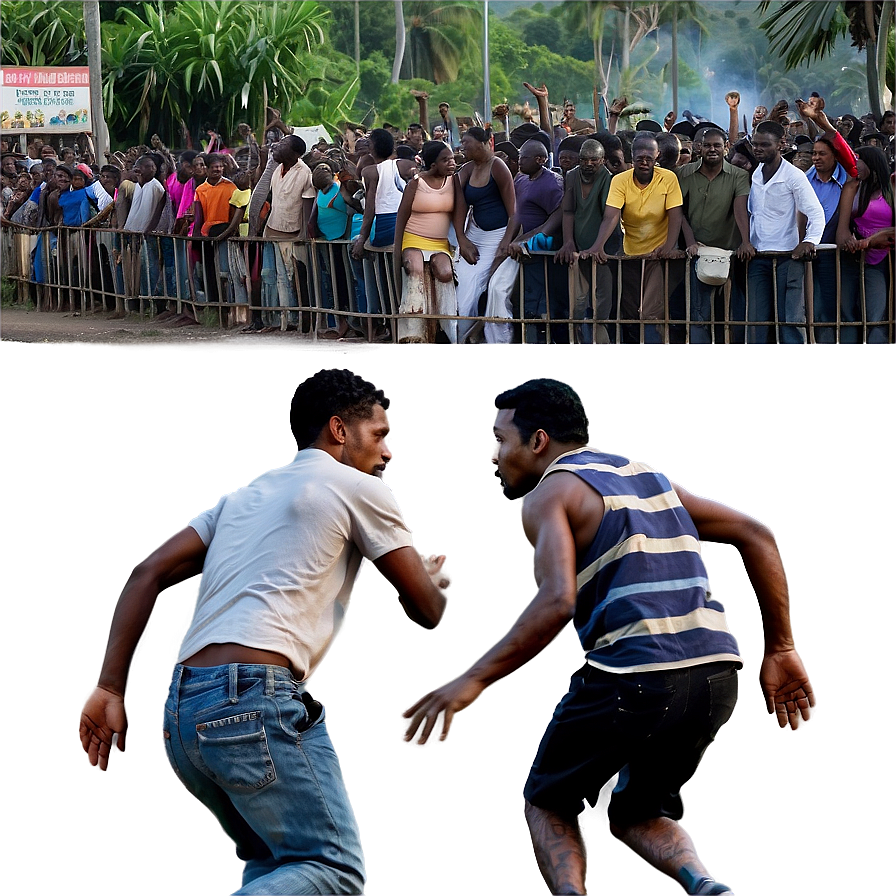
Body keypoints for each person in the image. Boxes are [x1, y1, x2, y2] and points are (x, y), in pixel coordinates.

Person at [406, 377, 814, 896]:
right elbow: (756, 533)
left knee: (547, 801)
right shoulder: (649, 476)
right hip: (716, 676)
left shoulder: (550, 494)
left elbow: (557, 603)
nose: (493, 456)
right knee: (637, 814)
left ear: (538, 442)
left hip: (635, 676)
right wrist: (780, 648)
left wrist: (471, 679)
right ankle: (709, 888)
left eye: (500, 439)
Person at [79, 368, 447, 896]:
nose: (388, 453)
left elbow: (147, 573)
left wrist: (110, 685)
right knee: (331, 870)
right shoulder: (359, 487)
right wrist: (439, 582)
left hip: (184, 715)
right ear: (339, 430)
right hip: (254, 699)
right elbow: (428, 610)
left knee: (275, 868)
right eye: (380, 434)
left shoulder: (244, 495)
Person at [583, 133, 684, 343]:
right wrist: (598, 246)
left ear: (657, 156)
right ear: (632, 156)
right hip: (631, 255)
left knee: (649, 310)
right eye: (640, 158)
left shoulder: (668, 178)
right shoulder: (620, 180)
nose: (644, 162)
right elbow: (611, 216)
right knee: (630, 310)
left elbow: (676, 215)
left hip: (658, 256)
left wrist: (668, 246)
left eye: (649, 157)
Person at [746, 120, 825, 344]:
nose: (758, 149)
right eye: (755, 144)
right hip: (759, 256)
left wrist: (810, 241)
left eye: (764, 145)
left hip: (787, 258)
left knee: (790, 319)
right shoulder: (757, 173)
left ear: (781, 145)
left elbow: (816, 213)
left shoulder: (794, 176)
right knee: (757, 320)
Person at [675, 127, 754, 343]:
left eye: (717, 145)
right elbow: (678, 211)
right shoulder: (684, 173)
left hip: (731, 252)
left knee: (733, 308)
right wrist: (690, 242)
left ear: (726, 147)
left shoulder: (739, 175)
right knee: (699, 311)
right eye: (707, 145)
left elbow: (740, 209)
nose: (712, 149)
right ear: (699, 147)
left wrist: (745, 242)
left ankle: (733, 358)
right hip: (698, 252)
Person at [483, 138, 564, 344]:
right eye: (519, 157)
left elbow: (555, 219)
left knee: (535, 302)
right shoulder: (521, 179)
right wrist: (508, 241)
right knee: (497, 289)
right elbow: (516, 215)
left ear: (540, 159)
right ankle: (500, 340)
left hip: (537, 249)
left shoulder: (552, 183)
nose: (519, 161)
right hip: (517, 247)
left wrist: (526, 240)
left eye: (524, 157)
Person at [452, 126, 516, 343]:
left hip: (497, 237)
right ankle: (459, 340)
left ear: (483, 143)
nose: (463, 147)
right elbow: (456, 200)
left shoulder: (498, 167)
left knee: (490, 290)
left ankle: (491, 342)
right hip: (474, 235)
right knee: (462, 290)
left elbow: (514, 213)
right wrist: (462, 239)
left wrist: (505, 244)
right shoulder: (467, 169)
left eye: (466, 143)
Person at [393, 140, 458, 343]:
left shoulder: (454, 182)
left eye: (452, 158)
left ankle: (448, 328)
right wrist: (398, 249)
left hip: (440, 243)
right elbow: (401, 217)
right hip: (414, 238)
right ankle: (412, 331)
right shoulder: (416, 183)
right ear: (432, 165)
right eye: (445, 160)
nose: (451, 163)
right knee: (415, 268)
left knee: (446, 273)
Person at [553, 139, 616, 343]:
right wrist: (568, 241)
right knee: (577, 303)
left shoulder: (609, 179)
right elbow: (568, 210)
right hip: (578, 249)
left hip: (605, 250)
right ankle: (577, 345)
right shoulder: (571, 176)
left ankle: (601, 350)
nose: (589, 164)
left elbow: (609, 216)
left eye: (594, 160)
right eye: (584, 160)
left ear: (603, 160)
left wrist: (598, 246)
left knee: (602, 304)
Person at [835, 145, 894, 344]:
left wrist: (874, 240)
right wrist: (849, 239)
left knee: (876, 312)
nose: (854, 164)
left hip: (882, 258)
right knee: (847, 311)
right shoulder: (853, 187)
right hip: (852, 256)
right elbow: (841, 229)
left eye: (858, 159)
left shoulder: (891, 189)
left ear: (871, 162)